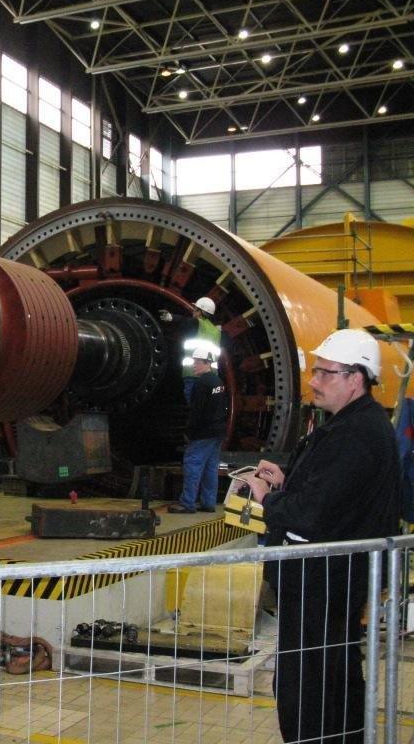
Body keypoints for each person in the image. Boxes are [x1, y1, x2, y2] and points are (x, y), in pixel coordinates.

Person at [241, 328, 401, 744]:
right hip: (324, 581)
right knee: (328, 675)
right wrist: (286, 482)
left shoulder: (357, 434)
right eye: (315, 371)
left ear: (355, 378)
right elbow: (333, 496)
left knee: (311, 685)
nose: (314, 381)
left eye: (326, 373)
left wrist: (267, 499)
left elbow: (312, 513)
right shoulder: (351, 425)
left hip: (324, 582)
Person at [168, 348, 228, 514]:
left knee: (193, 465)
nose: (194, 365)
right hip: (217, 432)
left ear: (207, 363)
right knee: (210, 468)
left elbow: (196, 411)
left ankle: (187, 503)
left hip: (203, 433)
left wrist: (189, 432)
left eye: (197, 362)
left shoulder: (201, 384)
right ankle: (208, 503)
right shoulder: (218, 382)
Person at [159, 296, 222, 402]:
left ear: (200, 312)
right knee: (207, 405)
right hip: (212, 376)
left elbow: (184, 321)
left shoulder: (197, 323)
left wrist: (171, 317)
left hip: (194, 373)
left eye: (195, 309)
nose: (193, 311)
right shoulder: (216, 331)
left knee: (194, 403)